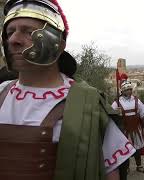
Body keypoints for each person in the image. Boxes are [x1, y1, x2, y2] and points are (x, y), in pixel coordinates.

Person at [0, 0, 136, 179]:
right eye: (10, 32)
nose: (13, 40)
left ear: (59, 43)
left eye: (28, 32)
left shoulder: (89, 104)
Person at [111, 73, 144, 174]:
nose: (128, 91)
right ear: (122, 91)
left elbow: (143, 114)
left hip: (136, 128)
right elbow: (111, 114)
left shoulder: (137, 100)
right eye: (126, 90)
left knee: (137, 148)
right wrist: (117, 113)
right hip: (124, 129)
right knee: (126, 149)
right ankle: (126, 167)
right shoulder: (117, 102)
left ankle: (139, 165)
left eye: (130, 89)